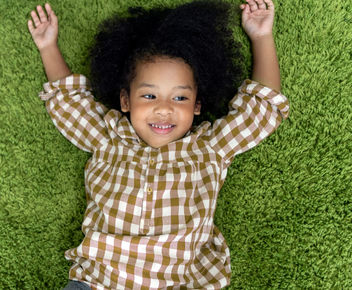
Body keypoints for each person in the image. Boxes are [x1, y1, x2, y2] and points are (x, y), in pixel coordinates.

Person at [27, 0, 289, 288]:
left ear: (197, 105)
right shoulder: (109, 137)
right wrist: (47, 46)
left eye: (180, 98)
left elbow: (261, 111)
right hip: (98, 281)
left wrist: (262, 37)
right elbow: (69, 103)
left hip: (177, 282)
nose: (164, 109)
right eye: (149, 96)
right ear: (126, 100)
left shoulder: (210, 147)